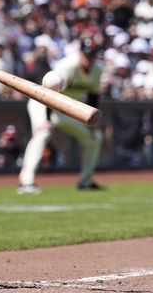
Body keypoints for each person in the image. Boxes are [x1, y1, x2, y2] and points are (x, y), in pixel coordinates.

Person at [17, 36, 105, 194]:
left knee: (95, 137)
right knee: (43, 134)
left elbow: (93, 95)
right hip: (43, 103)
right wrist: (48, 119)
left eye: (92, 55)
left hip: (69, 109)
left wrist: (91, 120)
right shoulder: (67, 65)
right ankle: (26, 181)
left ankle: (85, 181)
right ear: (80, 53)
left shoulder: (97, 69)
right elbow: (50, 92)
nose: (89, 59)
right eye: (86, 55)